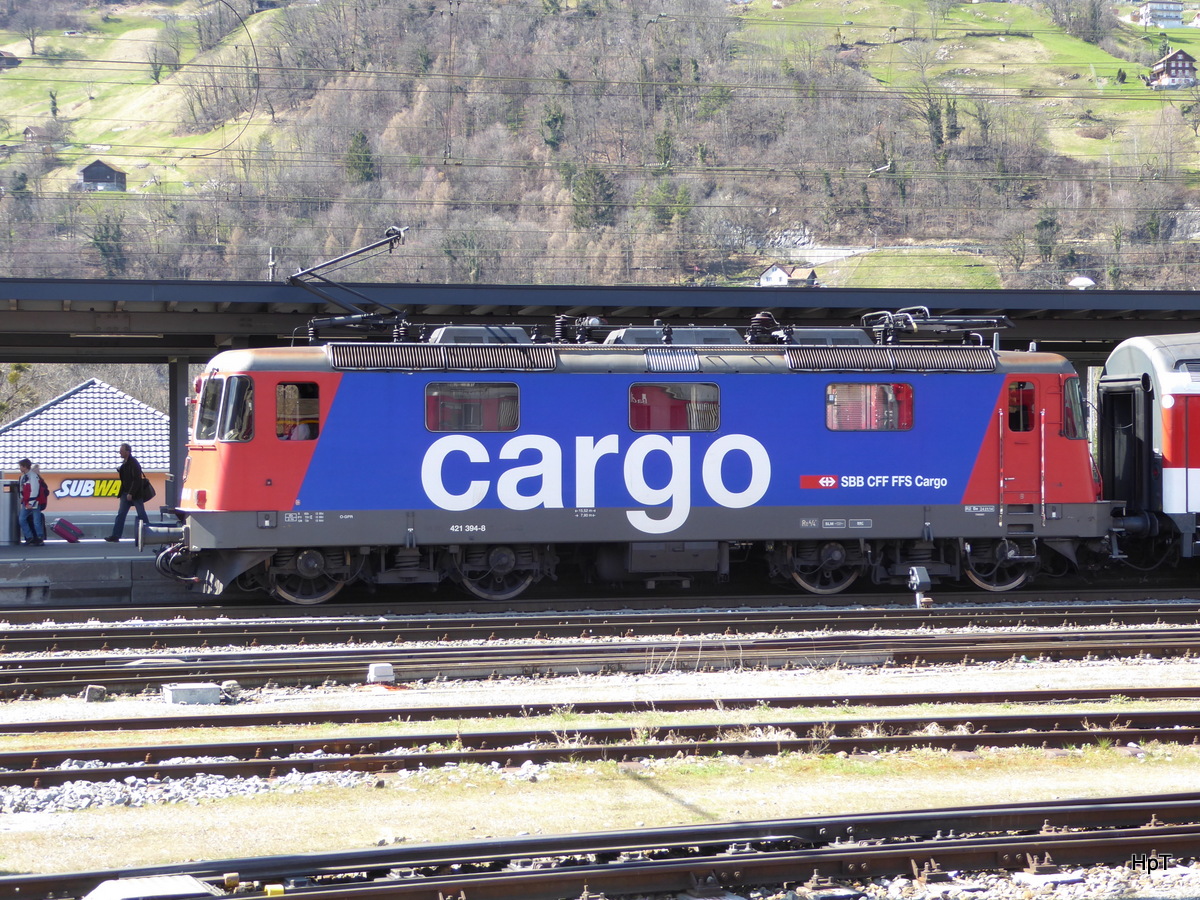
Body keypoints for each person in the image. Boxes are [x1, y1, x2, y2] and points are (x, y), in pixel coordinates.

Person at [105, 443, 149, 543]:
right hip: (125, 493)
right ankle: (115, 536)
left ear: (127, 452)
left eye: (121, 451)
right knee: (121, 515)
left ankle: (149, 534)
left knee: (141, 514)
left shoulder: (134, 463)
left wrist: (131, 493)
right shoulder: (125, 463)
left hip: (135, 494)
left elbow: (136, 480)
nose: (119, 452)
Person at [16, 458, 45, 546]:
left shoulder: (33, 476)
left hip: (34, 501)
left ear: (25, 466)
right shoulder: (23, 477)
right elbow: (21, 489)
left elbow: (35, 490)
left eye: (20, 466)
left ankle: (39, 538)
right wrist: (22, 498)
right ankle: (29, 537)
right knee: (22, 519)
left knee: (36, 521)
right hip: (26, 502)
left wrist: (31, 503)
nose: (20, 468)